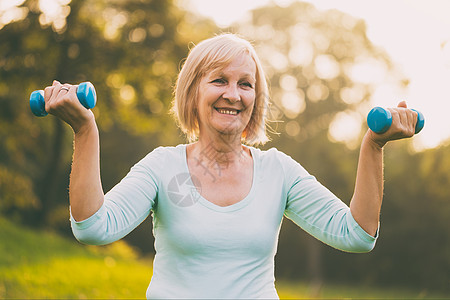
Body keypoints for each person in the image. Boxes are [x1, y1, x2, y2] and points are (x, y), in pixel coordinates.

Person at [43, 33, 419, 299]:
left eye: (246, 84)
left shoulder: (279, 173)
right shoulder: (163, 168)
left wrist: (373, 145)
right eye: (219, 80)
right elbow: (93, 228)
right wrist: (85, 130)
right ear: (193, 91)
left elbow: (356, 234)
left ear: (256, 98)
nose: (233, 94)